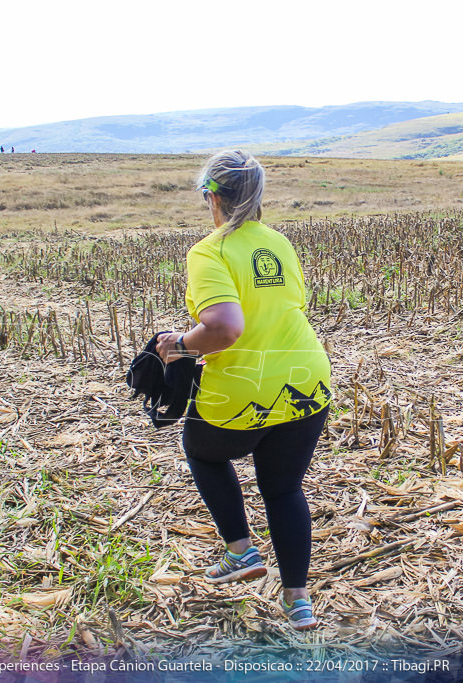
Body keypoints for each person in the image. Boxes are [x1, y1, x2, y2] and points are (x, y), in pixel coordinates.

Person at [156, 150, 331, 631]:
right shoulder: (280, 243)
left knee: (203, 452)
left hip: (242, 386)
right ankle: (298, 602)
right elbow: (276, 310)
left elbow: (226, 326)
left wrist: (180, 345)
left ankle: (240, 550)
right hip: (307, 378)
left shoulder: (208, 251)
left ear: (212, 196)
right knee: (284, 489)